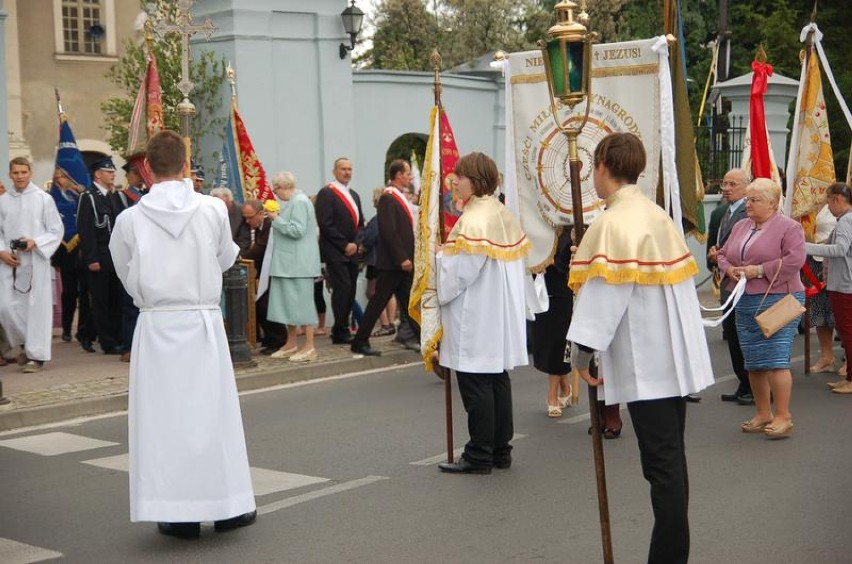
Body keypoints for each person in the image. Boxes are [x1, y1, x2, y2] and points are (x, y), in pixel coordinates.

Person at [567, 133, 714, 564]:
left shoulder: (613, 223)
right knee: (671, 465)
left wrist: (581, 352)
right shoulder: (653, 214)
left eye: (594, 166)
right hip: (670, 359)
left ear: (602, 166)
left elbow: (606, 295)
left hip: (648, 366)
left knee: (663, 470)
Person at [109, 130, 256, 539]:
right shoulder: (211, 209)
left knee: (164, 421)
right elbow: (227, 257)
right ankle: (227, 507)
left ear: (147, 169)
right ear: (185, 165)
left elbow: (123, 271)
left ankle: (176, 513)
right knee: (214, 415)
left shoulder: (130, 219)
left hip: (157, 324)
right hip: (202, 321)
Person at [435, 152, 529, 475]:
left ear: (473, 181)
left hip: (475, 315)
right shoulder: (499, 212)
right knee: (496, 380)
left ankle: (479, 454)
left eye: (458, 177)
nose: (454, 182)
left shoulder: (474, 219)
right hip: (496, 313)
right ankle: (501, 449)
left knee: (476, 383)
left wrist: (438, 260)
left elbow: (461, 271)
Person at [718, 177, 806, 439]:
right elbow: (722, 254)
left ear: (772, 203)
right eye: (748, 199)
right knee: (754, 361)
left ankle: (783, 416)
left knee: (776, 360)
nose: (749, 204)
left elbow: (795, 259)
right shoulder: (742, 226)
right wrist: (729, 269)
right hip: (745, 300)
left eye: (755, 200)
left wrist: (759, 270)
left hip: (779, 299)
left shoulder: (789, 227)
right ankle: (762, 413)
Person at [0, 157, 63, 373]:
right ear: (10, 174)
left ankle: (36, 356)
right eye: (15, 173)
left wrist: (35, 242)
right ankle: (25, 344)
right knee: (5, 307)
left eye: (23, 172)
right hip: (9, 262)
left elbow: (56, 230)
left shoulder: (43, 199)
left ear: (30, 173)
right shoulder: (3, 201)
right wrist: (2, 252)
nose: (19, 177)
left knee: (35, 309)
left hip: (35, 260)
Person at [351, 159, 419, 356]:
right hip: (394, 263)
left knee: (409, 303)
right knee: (379, 301)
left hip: (401, 263)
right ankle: (360, 340)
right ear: (398, 175)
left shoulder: (398, 196)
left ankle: (424, 339)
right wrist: (401, 258)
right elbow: (389, 231)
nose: (410, 177)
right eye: (407, 173)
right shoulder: (388, 198)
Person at [707, 168, 753, 404]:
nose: (725, 188)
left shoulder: (750, 211)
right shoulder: (723, 211)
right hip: (727, 282)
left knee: (744, 335)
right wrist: (713, 255)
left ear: (747, 186)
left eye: (732, 184)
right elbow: (718, 241)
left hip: (743, 283)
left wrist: (721, 256)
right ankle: (743, 383)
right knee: (732, 335)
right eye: (724, 183)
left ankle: (753, 386)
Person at [266, 172, 322, 362]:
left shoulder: (299, 201)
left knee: (302, 305)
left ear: (283, 187)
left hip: (299, 264)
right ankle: (291, 343)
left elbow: (297, 230)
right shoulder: (294, 202)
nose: (275, 195)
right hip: (289, 264)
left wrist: (276, 219)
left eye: (276, 190)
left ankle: (309, 346)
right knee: (288, 305)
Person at [76, 156, 130, 354]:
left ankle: (114, 336)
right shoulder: (88, 197)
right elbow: (86, 230)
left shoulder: (116, 197)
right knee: (100, 301)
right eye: (108, 171)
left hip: (115, 257)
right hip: (99, 256)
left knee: (115, 299)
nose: (112, 174)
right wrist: (91, 258)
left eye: (112, 171)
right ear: (98, 175)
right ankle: (106, 342)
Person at [804, 182, 852, 393]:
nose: (828, 206)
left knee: (847, 332)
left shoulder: (845, 221)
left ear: (837, 200)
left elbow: (840, 249)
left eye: (828, 201)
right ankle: (849, 376)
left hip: (844, 284)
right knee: (845, 330)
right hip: (843, 282)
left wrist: (805, 246)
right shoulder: (846, 219)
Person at [315, 157, 364, 344]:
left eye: (350, 169)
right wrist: (344, 245)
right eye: (343, 169)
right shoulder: (327, 193)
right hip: (336, 251)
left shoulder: (355, 195)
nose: (347, 172)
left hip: (352, 251)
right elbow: (325, 224)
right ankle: (340, 329)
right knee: (342, 288)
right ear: (335, 171)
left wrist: (356, 244)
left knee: (350, 289)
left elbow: (361, 224)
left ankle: (342, 327)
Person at [531, 228, 574, 417]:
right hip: (540, 288)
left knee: (558, 340)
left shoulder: (571, 227)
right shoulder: (538, 226)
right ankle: (565, 387)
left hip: (563, 288)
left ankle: (552, 396)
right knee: (545, 340)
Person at [240, 199, 287, 355]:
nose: (247, 221)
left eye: (249, 217)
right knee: (261, 304)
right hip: (266, 272)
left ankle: (279, 339)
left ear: (261, 213)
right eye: (245, 218)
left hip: (277, 270)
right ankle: (271, 337)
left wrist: (240, 258)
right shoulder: (259, 227)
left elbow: (259, 250)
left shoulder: (268, 226)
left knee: (267, 305)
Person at [50, 168, 91, 344]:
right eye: (57, 177)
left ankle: (82, 330)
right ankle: (66, 328)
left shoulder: (79, 195)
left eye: (63, 177)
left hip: (82, 249)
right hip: (65, 251)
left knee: (85, 293)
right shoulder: (52, 199)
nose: (61, 180)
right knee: (69, 293)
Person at [358, 187, 397, 339]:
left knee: (373, 293)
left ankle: (385, 323)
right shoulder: (392, 218)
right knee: (389, 293)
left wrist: (362, 247)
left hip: (375, 260)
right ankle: (391, 322)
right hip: (388, 259)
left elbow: (370, 238)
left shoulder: (377, 219)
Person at [805, 203, 839, 373]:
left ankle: (849, 359)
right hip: (812, 261)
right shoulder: (803, 204)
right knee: (819, 312)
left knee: (839, 312)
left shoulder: (835, 205)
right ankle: (827, 356)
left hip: (835, 262)